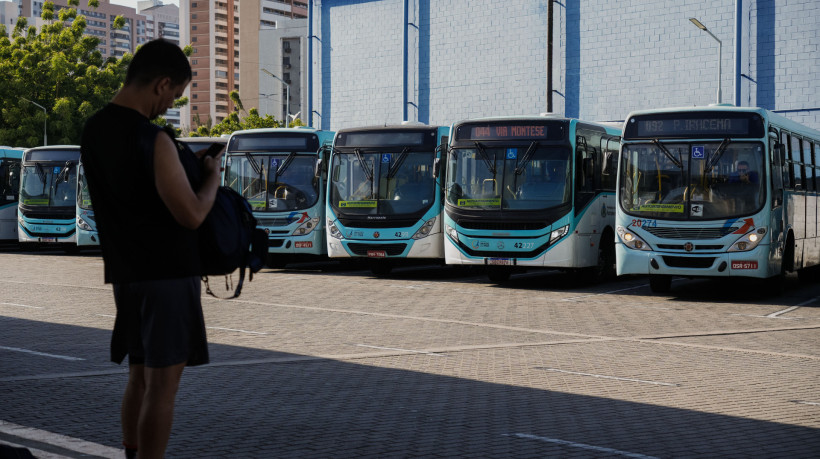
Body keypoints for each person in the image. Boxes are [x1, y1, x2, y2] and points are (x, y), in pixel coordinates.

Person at [80, 39, 223, 459]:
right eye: (175, 96)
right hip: (167, 276)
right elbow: (192, 214)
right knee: (162, 388)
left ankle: (131, 452)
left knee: (138, 378)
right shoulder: (153, 138)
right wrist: (211, 177)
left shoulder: (94, 130)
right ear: (162, 84)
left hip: (126, 274)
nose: (170, 106)